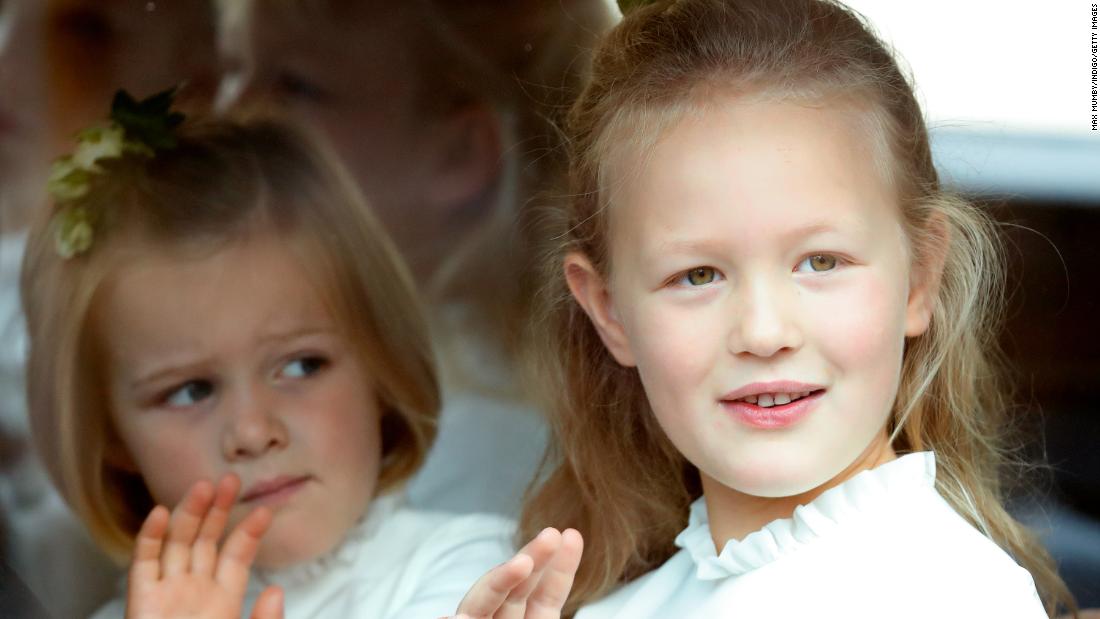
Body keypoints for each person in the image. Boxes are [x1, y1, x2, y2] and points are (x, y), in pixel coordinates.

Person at [450, 0, 1078, 616]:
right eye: (698, 275)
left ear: (918, 280)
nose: (763, 332)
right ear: (609, 313)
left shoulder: (951, 595)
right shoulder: (610, 605)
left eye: (821, 262)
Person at [20, 94, 512, 618]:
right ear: (113, 438)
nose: (254, 432)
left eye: (302, 365)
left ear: (380, 366)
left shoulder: (473, 572)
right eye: (191, 391)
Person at [215, 0, 617, 517]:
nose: (233, 112)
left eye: (295, 86)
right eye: (233, 70)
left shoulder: (475, 446)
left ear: (458, 154)